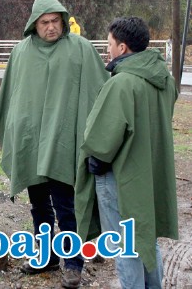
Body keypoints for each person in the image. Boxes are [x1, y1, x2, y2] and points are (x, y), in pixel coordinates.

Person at [0, 0, 109, 289]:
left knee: (66, 205)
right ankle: (45, 256)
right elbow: (11, 96)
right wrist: (7, 133)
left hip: (62, 142)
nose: (51, 27)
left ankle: (73, 264)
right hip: (31, 143)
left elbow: (101, 91)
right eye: (45, 22)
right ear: (35, 23)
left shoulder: (80, 49)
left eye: (55, 20)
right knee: (39, 206)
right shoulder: (21, 53)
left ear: (62, 20)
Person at [75, 17, 179, 288]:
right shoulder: (164, 80)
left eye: (109, 44)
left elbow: (101, 140)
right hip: (149, 173)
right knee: (146, 236)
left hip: (120, 178)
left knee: (124, 245)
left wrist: (94, 160)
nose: (108, 50)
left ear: (122, 48)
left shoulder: (122, 83)